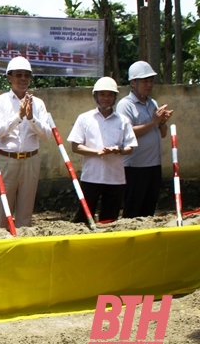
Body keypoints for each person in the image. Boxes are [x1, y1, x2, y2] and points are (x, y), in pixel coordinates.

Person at [0, 56, 51, 229]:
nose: (23, 79)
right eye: (18, 75)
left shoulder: (38, 104)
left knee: (25, 214)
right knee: (2, 212)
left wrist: (31, 119)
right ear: (9, 77)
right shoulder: (0, 102)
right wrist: (18, 117)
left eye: (27, 75)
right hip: (6, 160)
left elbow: (47, 134)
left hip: (31, 160)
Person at [67, 77, 137, 224]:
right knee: (83, 219)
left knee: (110, 220)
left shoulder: (123, 120)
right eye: (102, 94)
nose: (106, 98)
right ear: (95, 96)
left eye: (110, 95)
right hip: (91, 177)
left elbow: (130, 147)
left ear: (115, 97)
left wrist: (118, 150)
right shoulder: (85, 119)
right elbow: (75, 146)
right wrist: (96, 152)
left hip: (115, 178)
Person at [116, 61, 174, 218]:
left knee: (149, 210)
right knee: (133, 210)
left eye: (151, 81)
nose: (149, 85)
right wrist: (153, 122)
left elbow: (162, 134)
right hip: (135, 167)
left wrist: (161, 123)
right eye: (144, 81)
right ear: (133, 82)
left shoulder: (152, 102)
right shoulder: (125, 105)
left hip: (154, 165)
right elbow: (126, 134)